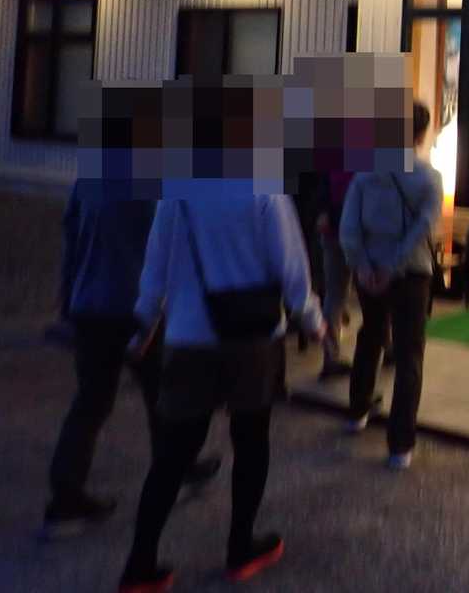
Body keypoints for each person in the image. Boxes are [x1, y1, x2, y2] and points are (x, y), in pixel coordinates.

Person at [117, 194, 324, 592]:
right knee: (251, 440)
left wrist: (143, 325)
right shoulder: (265, 191)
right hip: (254, 338)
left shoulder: (177, 194)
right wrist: (312, 319)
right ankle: (240, 548)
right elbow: (291, 267)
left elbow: (155, 267)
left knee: (173, 453)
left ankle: (140, 563)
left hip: (187, 338)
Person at [43, 185, 220, 540]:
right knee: (164, 394)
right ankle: (176, 469)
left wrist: (68, 292)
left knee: (91, 401)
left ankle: (65, 494)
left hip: (89, 306)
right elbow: (164, 251)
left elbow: (71, 234)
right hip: (134, 309)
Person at [339, 101, 442, 471]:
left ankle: (357, 410)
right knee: (409, 354)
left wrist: (365, 266)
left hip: (369, 273)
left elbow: (349, 228)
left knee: (371, 335)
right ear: (421, 134)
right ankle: (400, 444)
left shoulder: (365, 174)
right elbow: (423, 228)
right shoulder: (428, 178)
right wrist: (393, 265)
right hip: (411, 274)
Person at [314, 168, 356, 378]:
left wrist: (323, 212)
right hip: (356, 230)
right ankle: (385, 345)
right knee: (373, 295)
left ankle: (331, 356)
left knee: (334, 296)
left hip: (332, 227)